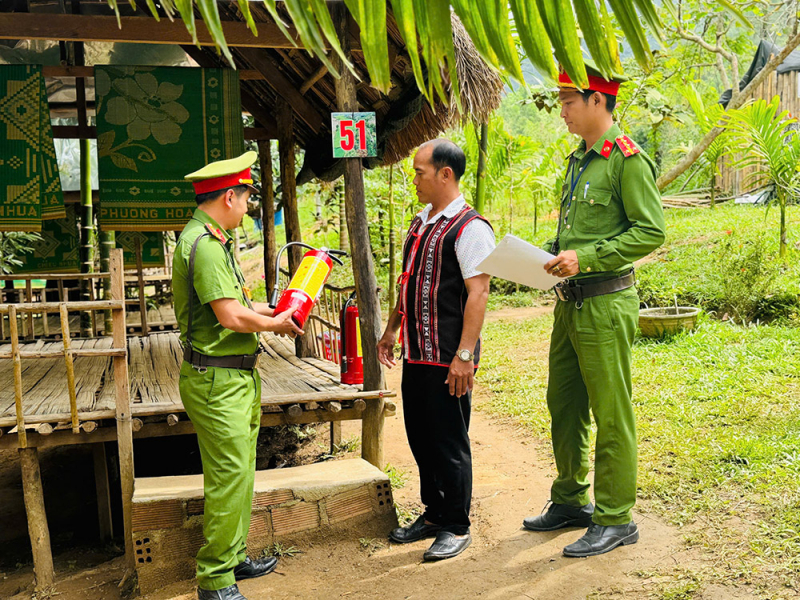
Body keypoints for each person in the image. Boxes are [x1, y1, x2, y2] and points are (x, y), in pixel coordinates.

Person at [521, 64, 666, 557]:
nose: (561, 111)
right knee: (564, 405)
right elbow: (577, 231)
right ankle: (569, 500)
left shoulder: (626, 160)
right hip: (569, 303)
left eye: (568, 102)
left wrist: (586, 258)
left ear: (597, 100)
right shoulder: (578, 160)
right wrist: (548, 255)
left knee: (610, 410)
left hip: (605, 302)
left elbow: (650, 231)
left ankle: (616, 518)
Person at [173, 151, 303, 600]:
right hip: (217, 380)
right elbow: (230, 317)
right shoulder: (206, 246)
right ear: (229, 197)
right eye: (246, 199)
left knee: (240, 472)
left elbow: (237, 305)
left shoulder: (214, 239)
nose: (248, 208)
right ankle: (215, 580)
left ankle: (232, 556)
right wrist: (276, 325)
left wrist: (274, 310)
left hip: (234, 378)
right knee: (229, 476)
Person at [377, 139, 495, 561]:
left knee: (448, 440)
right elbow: (409, 282)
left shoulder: (470, 229)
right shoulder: (421, 222)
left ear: (445, 174)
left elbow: (478, 293)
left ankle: (456, 525)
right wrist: (392, 329)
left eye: (419, 172)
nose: (414, 180)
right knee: (421, 436)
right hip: (416, 352)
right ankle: (434, 514)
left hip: (448, 356)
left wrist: (465, 356)